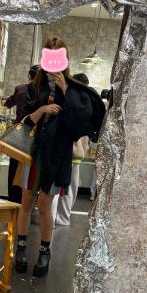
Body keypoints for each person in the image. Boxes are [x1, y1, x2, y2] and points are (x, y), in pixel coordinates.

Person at [15, 38, 105, 277]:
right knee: (26, 202)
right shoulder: (35, 87)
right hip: (32, 154)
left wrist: (65, 89)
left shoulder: (73, 90)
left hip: (56, 156)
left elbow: (80, 123)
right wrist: (42, 109)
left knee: (46, 206)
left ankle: (45, 251)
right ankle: (21, 247)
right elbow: (24, 122)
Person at [52, 72, 90, 226]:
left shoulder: (67, 97)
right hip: (76, 154)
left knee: (55, 188)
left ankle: (51, 219)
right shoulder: (86, 102)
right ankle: (63, 218)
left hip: (62, 151)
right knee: (70, 190)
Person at [3, 65, 38, 203]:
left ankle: (13, 199)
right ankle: (27, 200)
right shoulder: (42, 92)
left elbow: (8, 104)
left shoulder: (20, 89)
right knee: (30, 168)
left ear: (29, 76)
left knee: (14, 167)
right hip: (35, 135)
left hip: (18, 133)